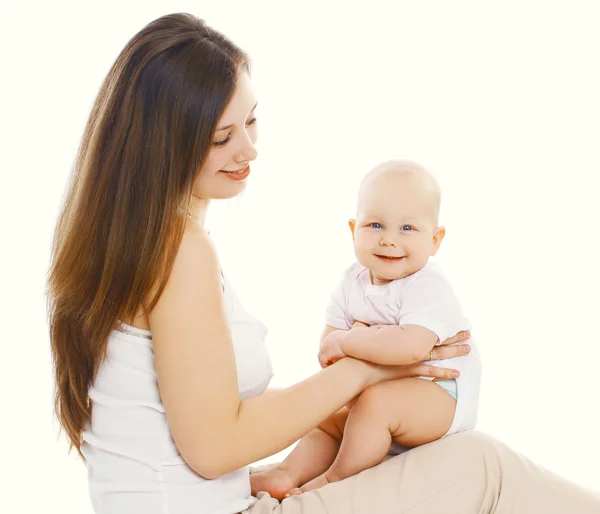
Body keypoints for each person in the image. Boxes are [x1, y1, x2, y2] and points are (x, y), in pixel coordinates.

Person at [46, 12, 600, 514]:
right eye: (222, 136)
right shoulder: (178, 250)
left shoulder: (122, 243)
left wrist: (337, 414)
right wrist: (370, 367)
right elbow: (215, 448)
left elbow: (201, 427)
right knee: (484, 467)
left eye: (252, 122)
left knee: (398, 445)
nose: (249, 150)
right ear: (164, 145)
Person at [251, 160, 482, 499]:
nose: (389, 240)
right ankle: (287, 472)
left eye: (407, 229)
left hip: (441, 394)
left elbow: (412, 348)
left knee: (376, 403)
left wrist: (350, 339)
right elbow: (327, 352)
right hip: (385, 390)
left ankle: (335, 480)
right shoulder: (352, 281)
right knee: (328, 412)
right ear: (353, 229)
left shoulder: (426, 286)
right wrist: (348, 343)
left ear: (435, 240)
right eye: (375, 224)